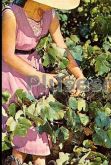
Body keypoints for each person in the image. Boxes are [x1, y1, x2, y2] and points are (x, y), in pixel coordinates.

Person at [2, 0, 85, 164]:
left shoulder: (51, 14)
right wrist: (40, 76)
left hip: (34, 69)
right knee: (27, 125)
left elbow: (62, 49)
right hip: (11, 72)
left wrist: (79, 76)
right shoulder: (10, 14)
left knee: (37, 126)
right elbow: (7, 55)